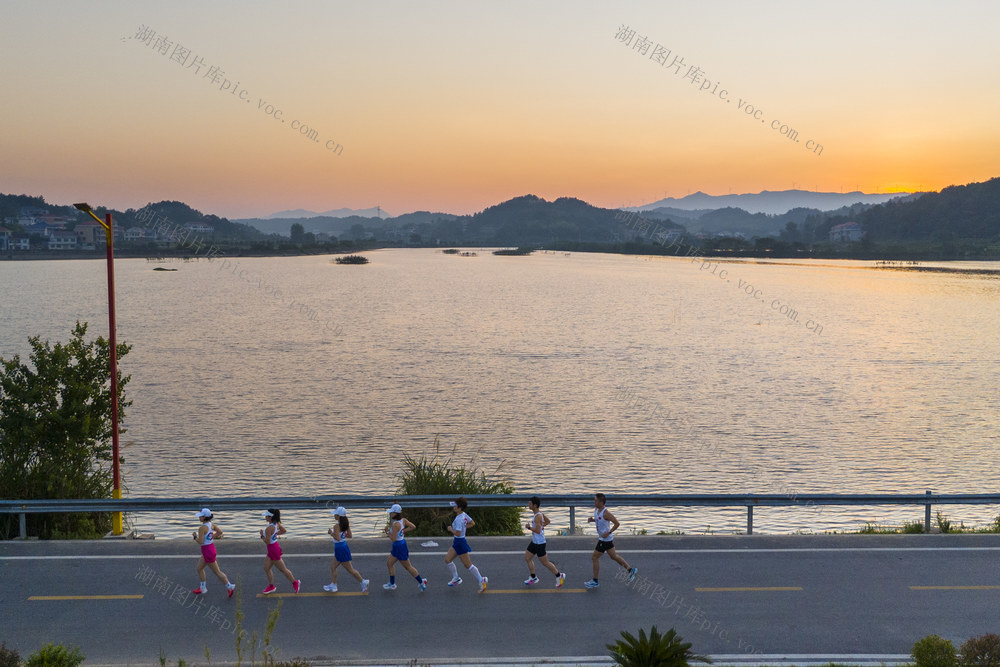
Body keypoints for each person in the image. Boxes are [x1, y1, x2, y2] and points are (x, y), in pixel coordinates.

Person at [584, 493, 637, 588]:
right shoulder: (596, 510)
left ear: (601, 502)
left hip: (604, 540)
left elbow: (617, 524)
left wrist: (608, 532)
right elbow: (599, 520)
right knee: (614, 556)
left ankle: (595, 581)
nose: (594, 502)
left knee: (594, 557)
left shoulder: (606, 513)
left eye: (595, 500)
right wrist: (592, 520)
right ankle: (630, 570)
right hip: (606, 540)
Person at [444, 497, 488, 593]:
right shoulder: (463, 515)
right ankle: (456, 578)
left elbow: (458, 533)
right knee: (447, 560)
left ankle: (482, 580)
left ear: (459, 508)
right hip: (456, 543)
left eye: (455, 506)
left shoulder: (459, 519)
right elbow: (472, 523)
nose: (453, 507)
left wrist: (451, 529)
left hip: (460, 543)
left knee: (468, 565)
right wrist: (464, 527)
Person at [191, 508, 237, 597]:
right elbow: (220, 532)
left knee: (217, 572)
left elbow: (200, 542)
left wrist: (194, 537)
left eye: (200, 516)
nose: (199, 518)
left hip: (207, 551)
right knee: (199, 568)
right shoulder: (211, 524)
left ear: (204, 517)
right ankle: (202, 587)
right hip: (210, 549)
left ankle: (229, 586)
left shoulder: (202, 528)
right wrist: (211, 537)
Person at [324, 507, 370, 593]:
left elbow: (337, 538)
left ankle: (363, 582)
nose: (334, 515)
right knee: (333, 567)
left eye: (335, 514)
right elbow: (350, 535)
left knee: (350, 569)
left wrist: (331, 533)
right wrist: (342, 535)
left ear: (338, 516)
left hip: (340, 549)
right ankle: (333, 585)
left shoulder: (336, 526)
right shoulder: (345, 525)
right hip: (343, 547)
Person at [523, 496, 565, 587]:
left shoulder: (538, 516)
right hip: (535, 541)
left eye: (530, 504)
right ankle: (533, 577)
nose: (528, 505)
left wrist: (529, 527)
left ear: (535, 505)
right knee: (527, 557)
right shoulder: (539, 513)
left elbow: (538, 531)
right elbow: (548, 521)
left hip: (540, 543)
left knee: (545, 562)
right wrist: (541, 527)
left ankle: (559, 575)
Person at [383, 503, 427, 591]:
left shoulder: (396, 525)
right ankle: (392, 584)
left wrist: (387, 532)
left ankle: (421, 581)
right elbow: (413, 527)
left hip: (399, 546)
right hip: (399, 545)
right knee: (389, 563)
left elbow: (394, 539)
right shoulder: (403, 520)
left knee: (408, 567)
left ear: (395, 513)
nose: (390, 514)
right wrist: (403, 531)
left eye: (392, 512)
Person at [260, 508, 300, 594]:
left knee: (283, 569)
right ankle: (271, 586)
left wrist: (262, 536)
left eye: (266, 516)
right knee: (266, 568)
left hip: (273, 549)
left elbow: (267, 542)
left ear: (270, 517)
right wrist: (275, 535)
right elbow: (284, 531)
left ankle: (295, 582)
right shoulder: (276, 524)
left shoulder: (268, 529)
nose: (265, 517)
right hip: (273, 548)